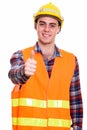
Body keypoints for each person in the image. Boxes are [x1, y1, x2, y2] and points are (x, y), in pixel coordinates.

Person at [8, 2, 83, 130]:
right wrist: (24, 72)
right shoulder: (21, 56)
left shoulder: (71, 60)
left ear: (58, 28)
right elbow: (13, 75)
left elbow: (75, 100)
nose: (46, 29)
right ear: (35, 26)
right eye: (42, 24)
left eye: (52, 25)